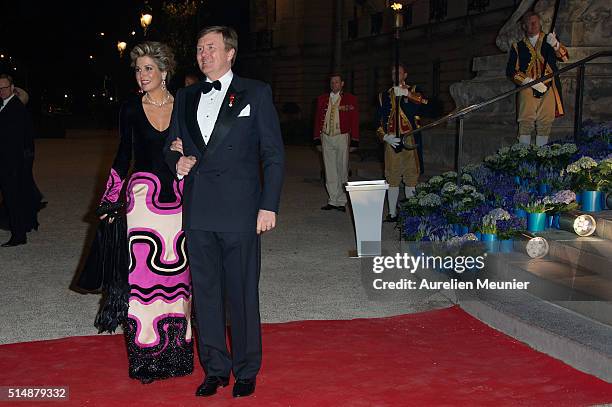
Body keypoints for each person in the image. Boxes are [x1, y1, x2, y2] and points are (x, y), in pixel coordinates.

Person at [163, 26, 284, 398]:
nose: (204, 54)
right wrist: (177, 162)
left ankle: (247, 369)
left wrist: (268, 205)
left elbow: (273, 155)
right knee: (206, 294)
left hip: (241, 211)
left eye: (211, 48)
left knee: (243, 294)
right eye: (199, 48)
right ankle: (215, 368)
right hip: (198, 210)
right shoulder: (185, 96)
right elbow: (171, 145)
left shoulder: (256, 92)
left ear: (230, 53)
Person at [97, 42, 193, 383]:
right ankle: (145, 357)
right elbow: (124, 155)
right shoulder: (130, 109)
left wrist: (191, 151)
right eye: (138, 69)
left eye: (148, 68)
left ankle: (178, 354)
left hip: (181, 198)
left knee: (180, 279)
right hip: (142, 200)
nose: (142, 75)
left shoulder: (184, 104)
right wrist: (110, 199)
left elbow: (200, 143)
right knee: (142, 281)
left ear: (164, 71)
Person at [377, 64, 431, 222]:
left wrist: (408, 94)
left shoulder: (415, 90)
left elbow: (428, 107)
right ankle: (392, 213)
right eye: (393, 72)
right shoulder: (383, 96)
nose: (395, 74)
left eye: (398, 72)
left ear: (405, 75)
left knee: (411, 175)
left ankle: (411, 213)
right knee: (392, 176)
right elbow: (378, 121)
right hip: (392, 140)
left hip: (411, 139)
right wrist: (384, 136)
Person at [506, 10, 569, 146]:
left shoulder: (549, 39)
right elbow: (511, 71)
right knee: (525, 120)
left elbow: (564, 57)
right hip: (527, 86)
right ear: (524, 26)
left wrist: (556, 45)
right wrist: (528, 81)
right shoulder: (518, 47)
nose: (534, 24)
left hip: (549, 85)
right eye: (530, 22)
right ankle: (524, 155)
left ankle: (542, 155)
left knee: (545, 120)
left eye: (536, 21)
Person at [313, 73, 359, 212]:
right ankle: (333, 200)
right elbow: (316, 120)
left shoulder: (351, 99)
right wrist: (316, 138)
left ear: (342, 83)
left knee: (342, 168)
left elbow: (355, 120)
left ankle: (342, 201)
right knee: (330, 169)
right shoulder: (322, 99)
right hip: (326, 137)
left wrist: (355, 140)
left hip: (341, 136)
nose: (334, 85)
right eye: (332, 82)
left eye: (337, 82)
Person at [0, 74, 36, 247]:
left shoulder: (16, 108)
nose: (1, 91)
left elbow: (20, 140)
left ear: (12, 87)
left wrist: (19, 166)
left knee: (14, 199)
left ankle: (19, 235)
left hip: (12, 163)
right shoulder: (6, 105)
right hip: (8, 161)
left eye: (4, 87)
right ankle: (18, 230)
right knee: (11, 198)